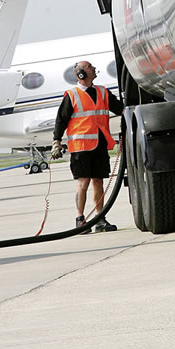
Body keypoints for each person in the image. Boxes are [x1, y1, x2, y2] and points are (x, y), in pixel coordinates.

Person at [51, 60, 123, 233]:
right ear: (81, 74)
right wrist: (56, 141)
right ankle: (80, 219)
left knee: (98, 181)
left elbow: (121, 109)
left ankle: (100, 219)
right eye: (90, 67)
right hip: (81, 147)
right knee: (83, 182)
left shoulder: (103, 92)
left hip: (99, 144)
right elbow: (61, 120)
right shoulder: (72, 95)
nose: (94, 68)